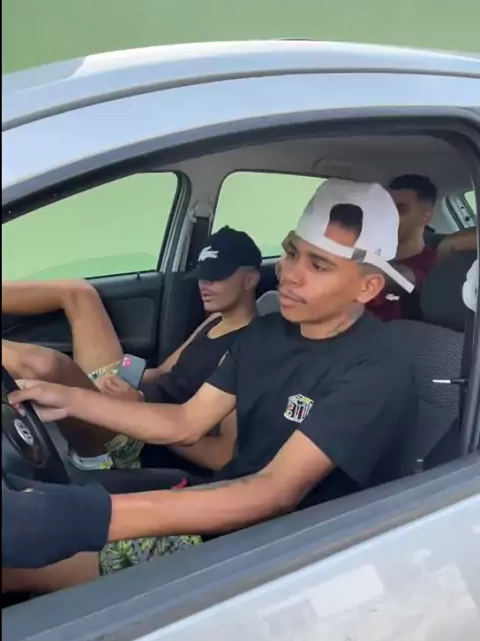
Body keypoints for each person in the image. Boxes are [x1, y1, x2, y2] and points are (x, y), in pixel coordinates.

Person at [7, 180, 417, 592]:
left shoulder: (377, 367)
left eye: (319, 265)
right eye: (292, 253)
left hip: (282, 547)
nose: (290, 275)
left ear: (367, 287)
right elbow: (186, 422)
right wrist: (71, 398)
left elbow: (275, 492)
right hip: (223, 505)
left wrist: (88, 517)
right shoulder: (266, 334)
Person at [3, 226, 261, 474]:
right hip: (131, 401)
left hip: (139, 442)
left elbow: (221, 456)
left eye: (216, 277)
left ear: (250, 279)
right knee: (79, 293)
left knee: (45, 365)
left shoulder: (251, 349)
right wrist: (115, 381)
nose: (204, 284)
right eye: (202, 275)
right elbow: (163, 372)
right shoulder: (215, 319)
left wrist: (139, 407)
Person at [369, 174, 438, 322]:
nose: (389, 217)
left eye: (401, 209)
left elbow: (407, 277)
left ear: (426, 217)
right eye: (387, 208)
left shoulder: (433, 265)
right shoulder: (370, 253)